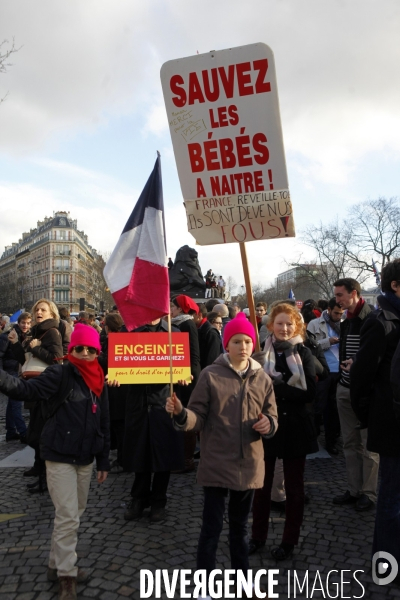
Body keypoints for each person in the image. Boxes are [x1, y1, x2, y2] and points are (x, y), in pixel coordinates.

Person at [166, 313, 278, 600]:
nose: (243, 346)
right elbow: (197, 417)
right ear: (226, 344)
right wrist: (181, 413)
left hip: (249, 464)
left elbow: (272, 415)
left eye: (247, 341)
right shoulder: (210, 375)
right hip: (217, 461)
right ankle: (204, 584)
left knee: (241, 530)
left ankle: (244, 584)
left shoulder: (263, 378)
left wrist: (268, 423)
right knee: (211, 528)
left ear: (253, 345)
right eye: (236, 341)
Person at [0, 323, 111, 600]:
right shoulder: (59, 373)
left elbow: (104, 422)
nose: (85, 353)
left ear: (97, 352)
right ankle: (66, 574)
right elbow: (24, 389)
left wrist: (104, 461)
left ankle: (54, 564)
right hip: (59, 454)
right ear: (72, 349)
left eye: (91, 349)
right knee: (68, 516)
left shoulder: (99, 379)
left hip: (85, 458)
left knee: (75, 513)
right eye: (79, 348)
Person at [249, 302, 317, 560]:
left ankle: (289, 540)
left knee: (294, 488)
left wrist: (273, 388)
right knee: (261, 487)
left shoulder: (304, 353)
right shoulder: (260, 354)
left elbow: (308, 392)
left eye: (289, 324)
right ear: (270, 326)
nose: (285, 328)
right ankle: (257, 536)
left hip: (296, 427)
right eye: (280, 323)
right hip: (266, 426)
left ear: (296, 325)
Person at [350, 259, 400, 578]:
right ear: (395, 286)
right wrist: (373, 418)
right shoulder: (380, 322)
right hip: (393, 426)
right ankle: (387, 565)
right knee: (392, 500)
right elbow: (361, 379)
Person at [122, 317, 184, 522]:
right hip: (137, 403)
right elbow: (115, 362)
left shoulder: (173, 333)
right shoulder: (128, 332)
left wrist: (184, 376)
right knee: (139, 453)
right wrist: (114, 373)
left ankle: (159, 500)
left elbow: (188, 364)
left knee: (162, 454)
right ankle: (138, 499)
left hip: (163, 403)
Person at [332, 278, 378, 511]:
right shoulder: (346, 321)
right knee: (349, 443)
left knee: (369, 445)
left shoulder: (373, 318)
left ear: (355, 293)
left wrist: (357, 365)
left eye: (340, 295)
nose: (337, 300)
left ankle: (368, 494)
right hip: (345, 388)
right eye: (336, 295)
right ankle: (354, 489)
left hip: (366, 393)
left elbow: (375, 356)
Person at [10, 299, 64, 481]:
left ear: (51, 314)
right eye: (36, 310)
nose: (38, 312)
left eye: (43, 310)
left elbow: (57, 359)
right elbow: (24, 360)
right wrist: (16, 343)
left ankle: (44, 472)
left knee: (39, 432)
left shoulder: (52, 333)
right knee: (35, 429)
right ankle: (38, 466)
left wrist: (38, 349)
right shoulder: (35, 332)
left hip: (44, 387)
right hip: (33, 385)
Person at [307, 298, 344, 454]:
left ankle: (331, 441)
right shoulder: (315, 324)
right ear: (328, 310)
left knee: (333, 410)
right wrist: (328, 341)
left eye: (341, 314)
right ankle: (312, 439)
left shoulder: (344, 324)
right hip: (323, 371)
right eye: (336, 313)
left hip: (340, 371)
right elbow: (310, 347)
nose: (338, 316)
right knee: (318, 407)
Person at [170, 295, 201, 472]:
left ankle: (187, 459)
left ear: (181, 309)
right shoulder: (178, 323)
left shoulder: (187, 324)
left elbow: (193, 354)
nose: (171, 309)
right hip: (180, 376)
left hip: (187, 378)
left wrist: (187, 373)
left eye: (173, 307)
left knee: (185, 416)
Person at [98, 312, 126, 472]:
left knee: (118, 426)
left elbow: (110, 363)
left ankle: (120, 459)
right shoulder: (121, 338)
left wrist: (99, 357)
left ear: (107, 327)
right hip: (119, 390)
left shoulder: (115, 341)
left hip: (117, 390)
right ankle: (118, 456)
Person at [1, 312, 32, 443]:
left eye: (28, 323)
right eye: (23, 323)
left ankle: (11, 431)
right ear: (18, 323)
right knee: (16, 404)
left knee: (12, 404)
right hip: (10, 371)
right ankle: (23, 433)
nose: (26, 325)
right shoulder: (8, 335)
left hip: (18, 371)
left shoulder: (28, 336)